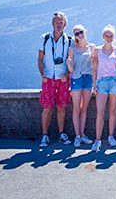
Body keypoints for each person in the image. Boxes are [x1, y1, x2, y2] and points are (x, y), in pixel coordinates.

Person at [38, 11, 73, 147]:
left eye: (61, 22)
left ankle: (61, 133)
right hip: (48, 78)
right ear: (53, 24)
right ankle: (44, 135)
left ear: (65, 24)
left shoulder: (69, 41)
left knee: (61, 107)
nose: (59, 24)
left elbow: (71, 61)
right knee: (47, 107)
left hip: (62, 78)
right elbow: (40, 59)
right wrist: (42, 74)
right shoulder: (45, 38)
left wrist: (67, 75)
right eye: (56, 22)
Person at [91, 25, 116, 152]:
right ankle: (97, 140)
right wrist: (94, 85)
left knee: (113, 111)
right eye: (106, 35)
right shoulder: (97, 50)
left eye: (111, 36)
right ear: (103, 37)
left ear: (114, 37)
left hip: (115, 82)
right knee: (100, 112)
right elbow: (94, 68)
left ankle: (111, 136)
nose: (109, 38)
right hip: (102, 83)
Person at [66, 24, 95, 147]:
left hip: (88, 79)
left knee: (84, 108)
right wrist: (69, 64)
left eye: (81, 32)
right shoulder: (72, 48)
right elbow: (71, 69)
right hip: (76, 78)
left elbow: (94, 66)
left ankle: (82, 134)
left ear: (85, 31)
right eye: (76, 33)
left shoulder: (92, 47)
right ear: (74, 36)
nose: (79, 35)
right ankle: (77, 136)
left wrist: (94, 82)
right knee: (76, 108)